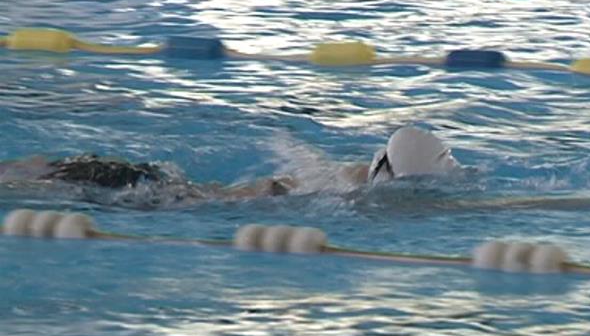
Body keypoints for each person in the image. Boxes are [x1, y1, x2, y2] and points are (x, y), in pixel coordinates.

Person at [0, 126, 459, 207]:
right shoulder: (343, 195)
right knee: (42, 179)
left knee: (42, 170)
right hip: (164, 201)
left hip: (167, 186)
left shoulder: (344, 174)